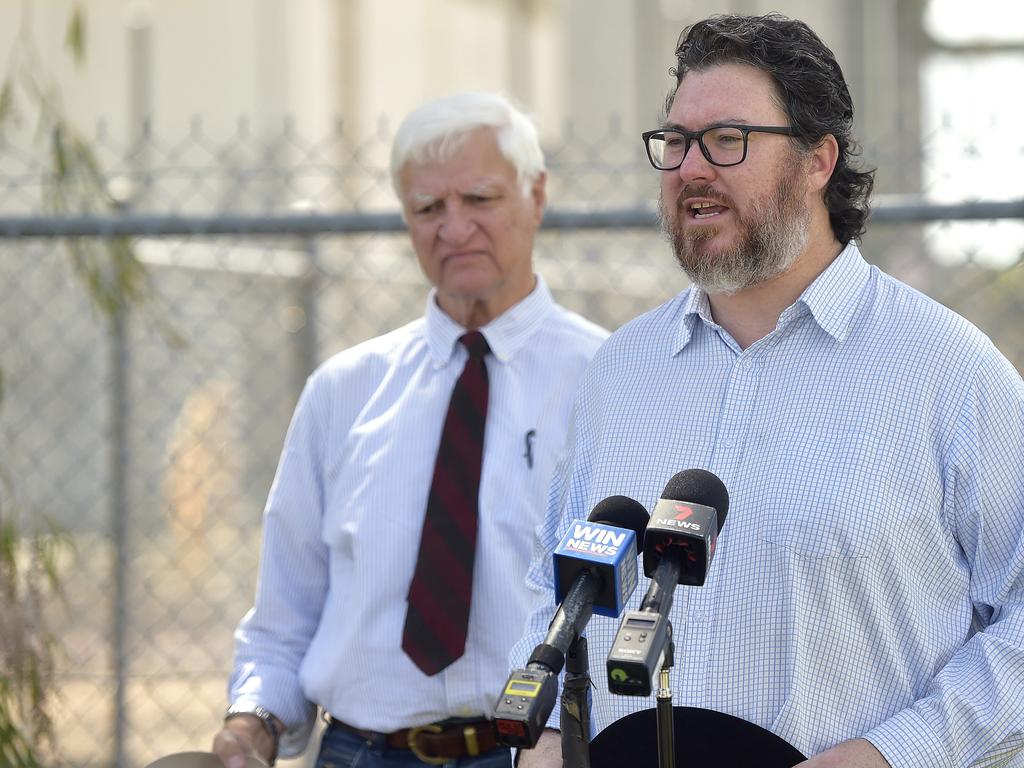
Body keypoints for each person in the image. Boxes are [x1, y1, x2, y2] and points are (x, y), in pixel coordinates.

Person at [515, 13, 1024, 768]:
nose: (691, 168)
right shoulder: (619, 371)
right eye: (677, 142)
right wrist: (549, 740)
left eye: (727, 139)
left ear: (819, 160)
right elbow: (551, 583)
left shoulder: (947, 372)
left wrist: (891, 755)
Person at [211, 92, 609, 768]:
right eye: (428, 208)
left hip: (539, 755)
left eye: (479, 199)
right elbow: (285, 620)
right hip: (358, 753)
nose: (453, 229)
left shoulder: (608, 382)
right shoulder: (343, 392)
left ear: (536, 195)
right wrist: (251, 723)